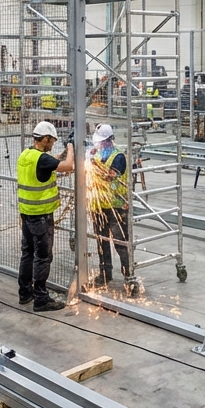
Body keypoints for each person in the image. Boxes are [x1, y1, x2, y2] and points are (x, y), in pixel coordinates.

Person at [18, 120, 76, 312]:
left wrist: (64, 153)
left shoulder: (27, 154)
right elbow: (67, 166)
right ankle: (41, 299)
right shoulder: (42, 159)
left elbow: (53, 162)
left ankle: (25, 292)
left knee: (27, 252)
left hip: (26, 213)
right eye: (51, 141)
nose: (52, 144)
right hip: (40, 216)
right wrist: (71, 146)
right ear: (44, 139)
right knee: (43, 256)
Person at [88, 124, 132, 289]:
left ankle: (128, 275)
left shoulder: (119, 156)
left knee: (120, 242)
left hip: (116, 206)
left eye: (101, 142)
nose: (99, 144)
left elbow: (110, 177)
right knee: (101, 241)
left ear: (108, 140)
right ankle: (105, 273)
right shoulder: (97, 153)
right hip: (98, 205)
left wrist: (92, 164)